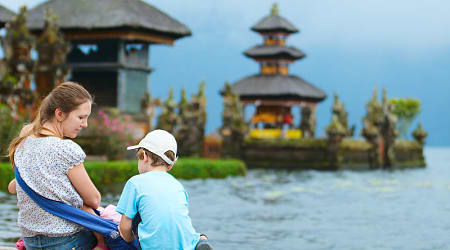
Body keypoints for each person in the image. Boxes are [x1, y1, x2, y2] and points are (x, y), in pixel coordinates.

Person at [7, 82, 106, 250]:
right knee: (111, 235)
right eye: (81, 117)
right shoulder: (65, 148)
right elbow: (94, 200)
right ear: (60, 114)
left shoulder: (23, 144)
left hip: (31, 242)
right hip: (66, 241)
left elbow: (13, 187)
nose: (85, 124)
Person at [116, 129, 213, 250]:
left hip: (154, 246)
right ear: (171, 165)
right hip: (185, 245)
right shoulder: (178, 185)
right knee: (195, 235)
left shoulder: (135, 182)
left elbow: (124, 227)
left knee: (134, 216)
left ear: (144, 156)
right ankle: (200, 241)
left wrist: (130, 240)